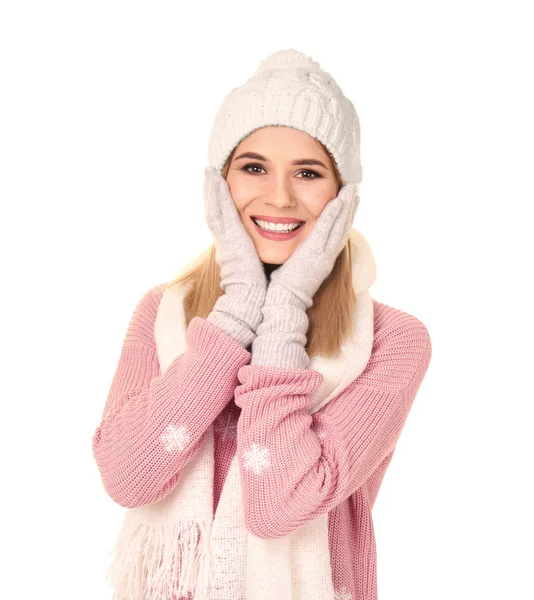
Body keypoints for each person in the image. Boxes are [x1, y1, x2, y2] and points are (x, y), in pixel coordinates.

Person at [92, 48, 432, 600]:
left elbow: (279, 506)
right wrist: (236, 313)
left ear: (343, 198)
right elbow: (129, 476)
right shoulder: (163, 314)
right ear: (219, 186)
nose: (279, 196)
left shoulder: (393, 341)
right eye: (253, 168)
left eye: (308, 172)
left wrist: (285, 312)